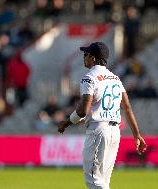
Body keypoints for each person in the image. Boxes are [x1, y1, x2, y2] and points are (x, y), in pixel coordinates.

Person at [57, 42, 147, 189]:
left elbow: (82, 111)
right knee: (103, 181)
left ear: (92, 58)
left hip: (98, 131)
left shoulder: (89, 78)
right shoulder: (115, 79)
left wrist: (65, 123)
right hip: (114, 132)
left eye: (86, 55)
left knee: (94, 181)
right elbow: (127, 107)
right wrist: (136, 135)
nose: (84, 57)